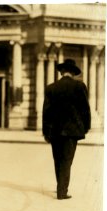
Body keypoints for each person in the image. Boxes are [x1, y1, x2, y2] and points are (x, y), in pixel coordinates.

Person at [42, 59, 91, 200]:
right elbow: (85, 110)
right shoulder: (80, 86)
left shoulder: (51, 88)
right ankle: (62, 191)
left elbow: (46, 112)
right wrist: (86, 127)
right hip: (72, 130)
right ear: (73, 73)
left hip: (55, 130)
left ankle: (60, 186)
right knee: (67, 160)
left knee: (57, 158)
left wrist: (46, 132)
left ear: (62, 72)